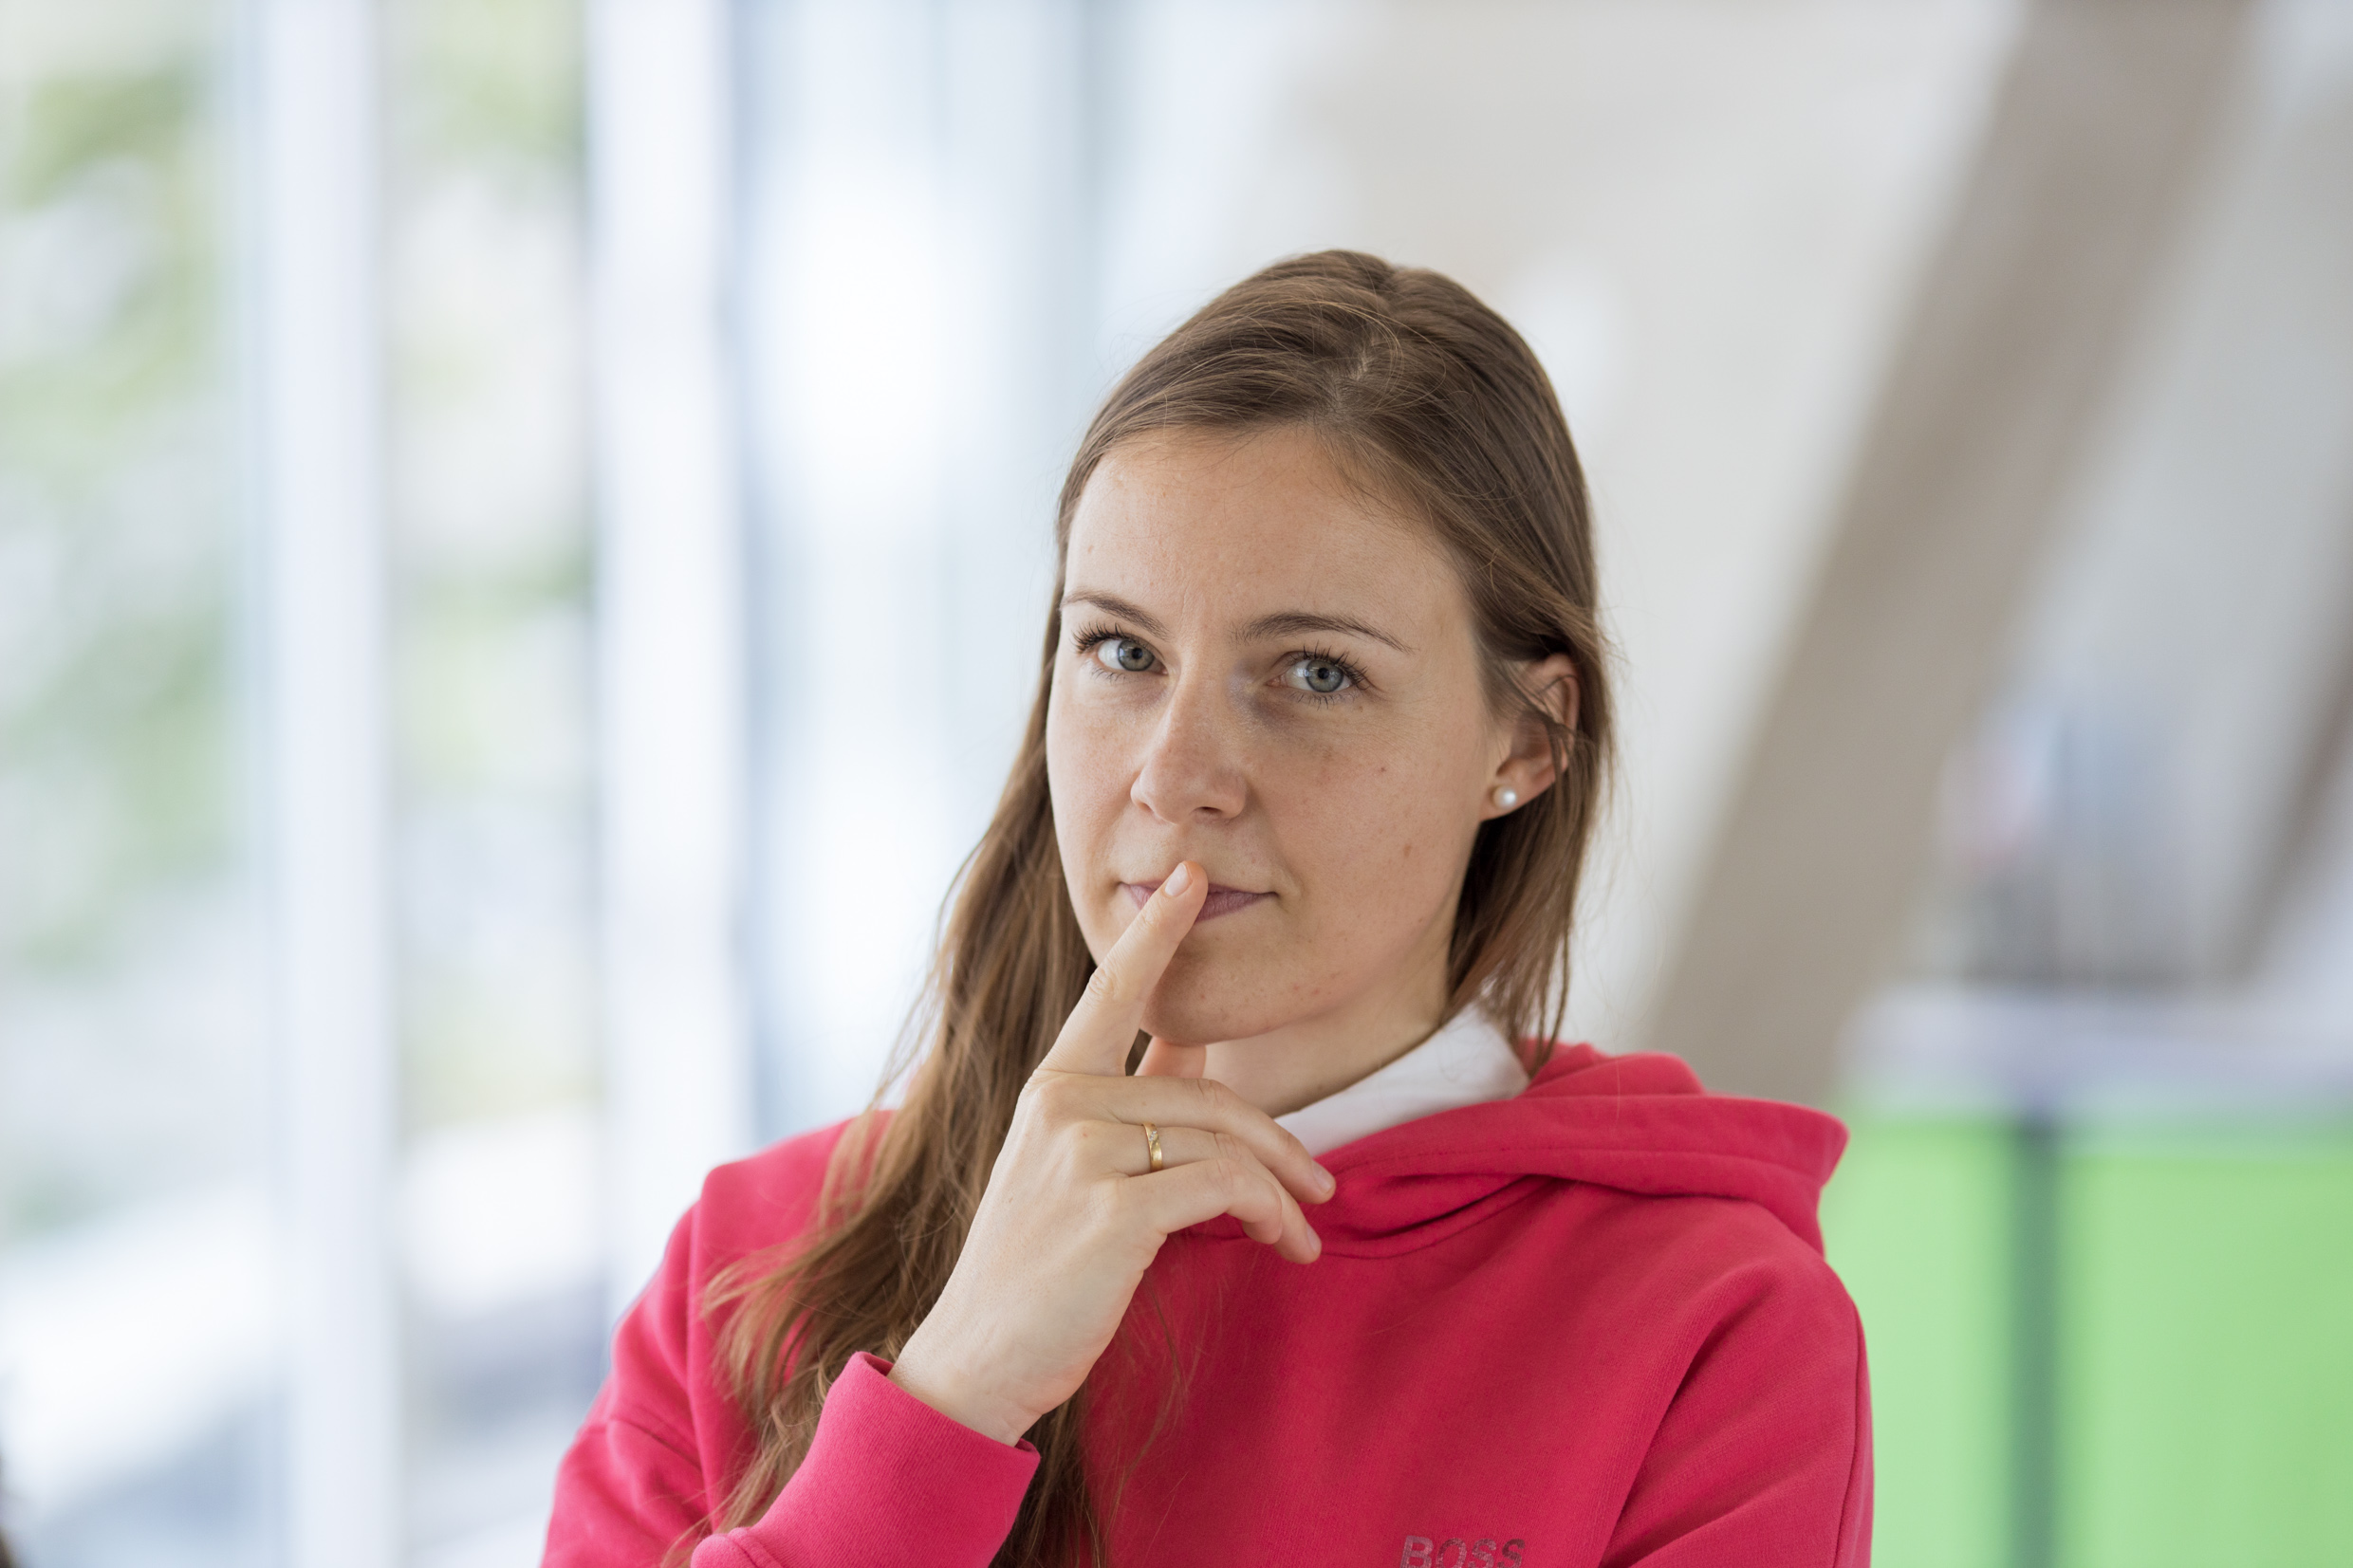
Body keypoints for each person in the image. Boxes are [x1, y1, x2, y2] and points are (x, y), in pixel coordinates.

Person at [546, 250, 1869, 1568]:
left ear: (1526, 738)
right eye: (1121, 650)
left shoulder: (1715, 1329)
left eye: (1313, 672)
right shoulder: (754, 1266)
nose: (1173, 776)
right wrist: (948, 1401)